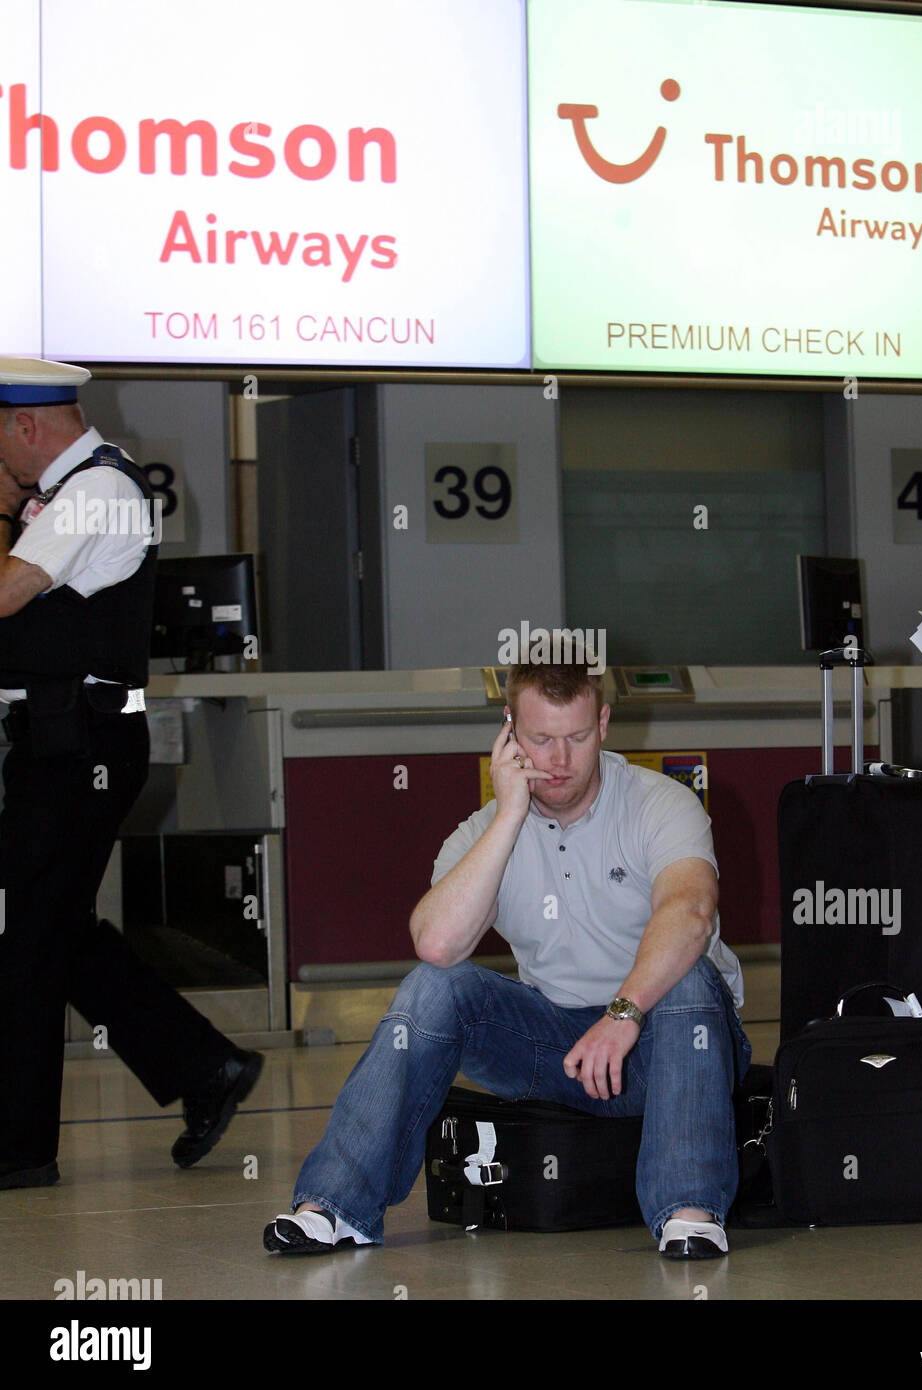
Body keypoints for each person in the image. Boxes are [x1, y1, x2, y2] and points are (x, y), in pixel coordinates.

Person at [264, 660, 751, 1258]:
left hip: (664, 1041)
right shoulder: (483, 829)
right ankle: (335, 1208)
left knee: (689, 977)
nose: (559, 759)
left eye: (576, 737)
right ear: (509, 733)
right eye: (540, 739)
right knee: (435, 986)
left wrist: (623, 1014)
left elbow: (690, 912)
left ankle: (689, 1212)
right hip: (558, 1048)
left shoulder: (662, 804)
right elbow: (437, 944)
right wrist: (510, 814)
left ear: (603, 724)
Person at [0, 356, 261, 1191]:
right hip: (57, 741)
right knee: (50, 928)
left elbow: (4, 596)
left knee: (29, 942)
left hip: (80, 748)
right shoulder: (69, 491)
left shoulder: (96, 492)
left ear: (25, 425)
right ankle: (204, 1067)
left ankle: (22, 1150)